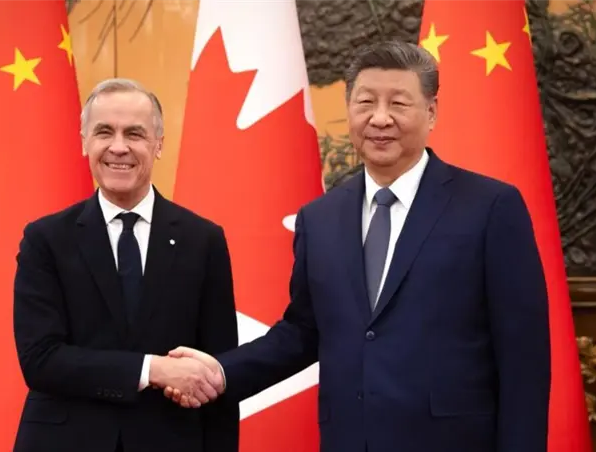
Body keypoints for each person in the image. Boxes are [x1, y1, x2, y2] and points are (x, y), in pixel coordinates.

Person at [165, 41, 551, 452]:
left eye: (398, 103)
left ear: (431, 112)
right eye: (366, 102)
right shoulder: (320, 218)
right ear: (349, 109)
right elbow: (304, 331)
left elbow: (523, 356)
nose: (380, 118)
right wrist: (221, 372)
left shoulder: (490, 207)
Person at [11, 78, 239, 452]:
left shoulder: (203, 240)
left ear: (158, 144)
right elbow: (41, 359)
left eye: (135, 133)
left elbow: (217, 373)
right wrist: (153, 369)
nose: (119, 147)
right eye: (104, 132)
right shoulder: (46, 239)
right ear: (85, 142)